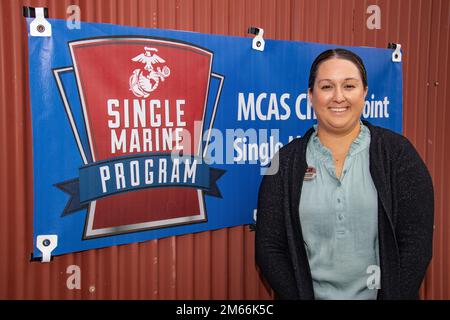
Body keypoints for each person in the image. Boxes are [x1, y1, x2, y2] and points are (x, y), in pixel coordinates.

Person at [255, 48, 434, 300]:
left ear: (365, 93)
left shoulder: (398, 154)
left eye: (349, 86)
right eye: (327, 86)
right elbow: (269, 247)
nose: (338, 97)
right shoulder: (284, 162)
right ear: (310, 95)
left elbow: (416, 243)